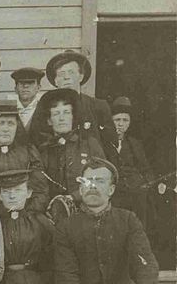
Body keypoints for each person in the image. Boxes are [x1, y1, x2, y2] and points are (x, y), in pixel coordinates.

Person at [36, 88, 106, 218]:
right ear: (49, 121)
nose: (62, 118)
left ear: (73, 117)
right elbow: (40, 187)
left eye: (66, 112)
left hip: (88, 212)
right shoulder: (44, 151)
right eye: (56, 114)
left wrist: (73, 197)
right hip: (54, 215)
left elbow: (102, 179)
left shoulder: (90, 145)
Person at [0, 99, 49, 213]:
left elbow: (41, 191)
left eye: (10, 123)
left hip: (25, 218)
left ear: (17, 127)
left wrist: (28, 215)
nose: (6, 129)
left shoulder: (29, 152)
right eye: (0, 123)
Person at [29, 50, 114, 144]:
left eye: (71, 72)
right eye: (61, 74)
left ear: (81, 77)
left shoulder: (98, 106)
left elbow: (110, 146)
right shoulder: (45, 106)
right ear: (56, 81)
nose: (66, 77)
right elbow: (36, 140)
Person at [100, 96, 156, 228]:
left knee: (137, 226)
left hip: (136, 195)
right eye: (117, 120)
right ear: (111, 121)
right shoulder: (103, 143)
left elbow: (146, 169)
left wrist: (144, 185)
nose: (121, 124)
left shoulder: (134, 144)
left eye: (125, 120)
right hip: (114, 194)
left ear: (130, 122)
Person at [12, 67, 45, 134]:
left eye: (30, 82)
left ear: (38, 88)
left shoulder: (45, 109)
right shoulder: (8, 110)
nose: (25, 86)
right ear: (15, 89)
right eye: (21, 83)